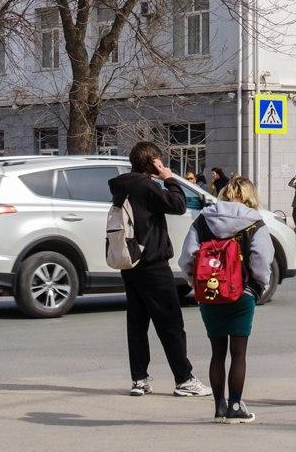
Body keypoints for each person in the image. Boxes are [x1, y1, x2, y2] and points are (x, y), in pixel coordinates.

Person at [109, 141, 206, 398]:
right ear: (152, 162)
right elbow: (178, 205)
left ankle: (139, 379)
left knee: (138, 323)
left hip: (131, 263)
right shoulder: (146, 185)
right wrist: (170, 178)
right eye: (159, 161)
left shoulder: (123, 186)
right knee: (171, 322)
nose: (162, 165)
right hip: (153, 263)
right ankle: (184, 379)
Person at [178, 175, 275, 424]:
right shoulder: (255, 222)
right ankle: (235, 406)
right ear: (250, 196)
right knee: (238, 353)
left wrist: (196, 283)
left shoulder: (203, 220)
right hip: (242, 293)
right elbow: (262, 259)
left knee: (217, 353)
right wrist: (258, 286)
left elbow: (187, 257)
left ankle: (219, 407)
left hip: (210, 294)